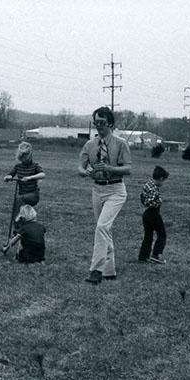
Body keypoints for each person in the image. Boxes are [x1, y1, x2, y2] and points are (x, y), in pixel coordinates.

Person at [78, 106, 132, 284]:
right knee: (104, 230)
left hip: (115, 190)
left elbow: (128, 169)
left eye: (101, 123)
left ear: (110, 123)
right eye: (96, 123)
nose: (98, 126)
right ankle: (110, 271)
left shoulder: (120, 143)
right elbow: (80, 166)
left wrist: (109, 168)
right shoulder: (90, 144)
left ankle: (96, 270)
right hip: (97, 190)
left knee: (101, 227)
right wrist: (86, 172)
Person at [4, 141, 45, 219]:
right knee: (20, 206)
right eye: (21, 157)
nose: (23, 159)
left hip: (33, 195)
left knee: (19, 200)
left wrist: (30, 178)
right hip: (21, 194)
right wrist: (8, 177)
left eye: (25, 157)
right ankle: (23, 222)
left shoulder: (35, 166)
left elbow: (43, 175)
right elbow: (10, 174)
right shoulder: (18, 166)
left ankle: (17, 222)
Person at [138, 165, 169, 264]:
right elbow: (149, 201)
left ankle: (143, 257)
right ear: (161, 179)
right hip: (153, 213)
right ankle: (156, 255)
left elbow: (142, 197)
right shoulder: (154, 189)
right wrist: (157, 201)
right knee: (162, 235)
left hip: (146, 214)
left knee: (148, 236)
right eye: (163, 181)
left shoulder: (148, 184)